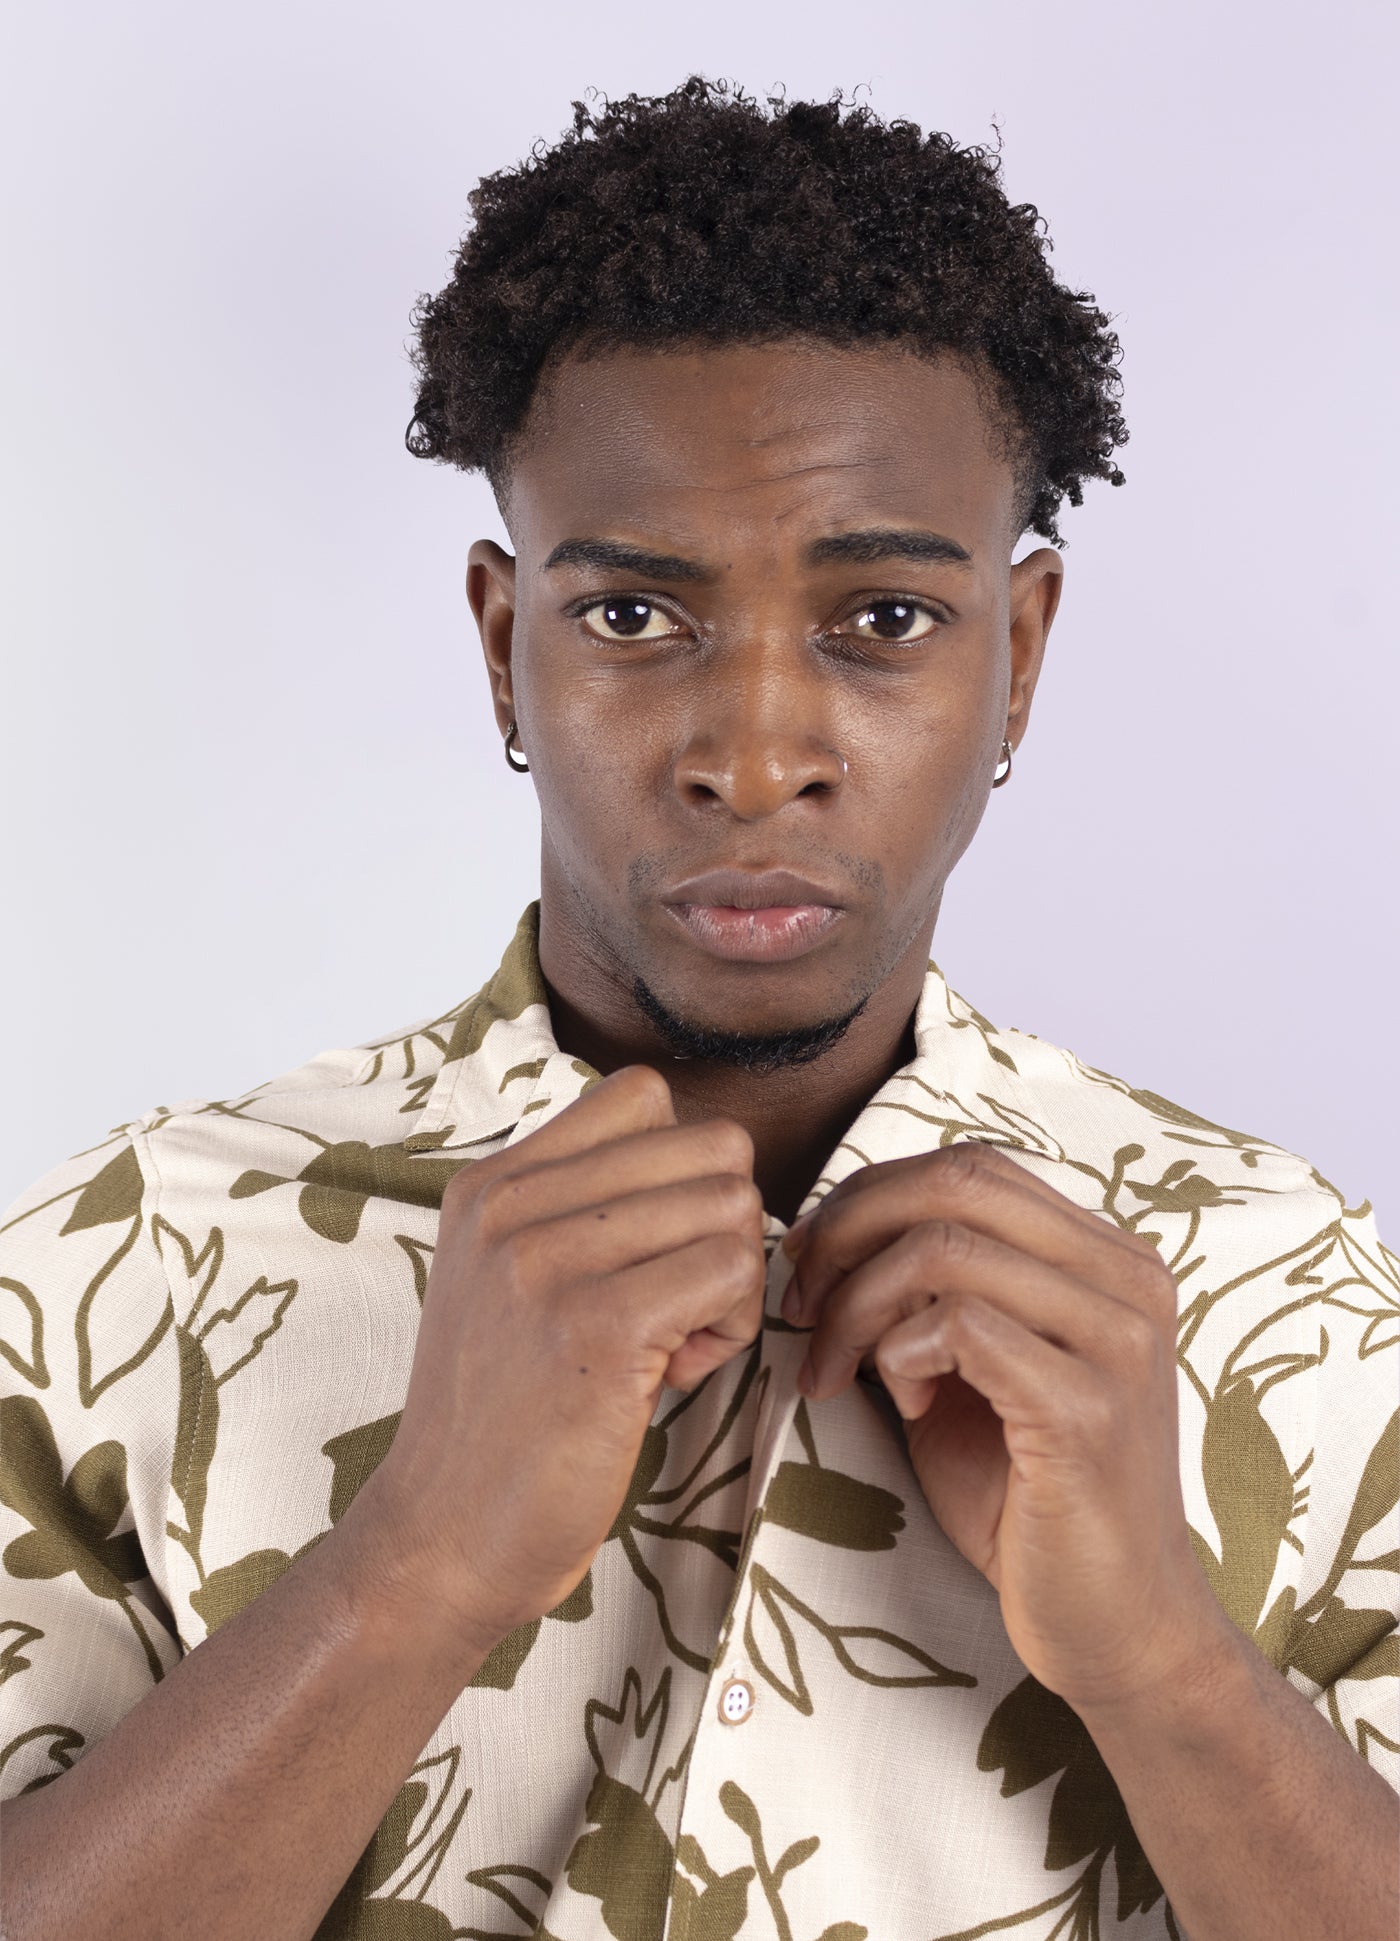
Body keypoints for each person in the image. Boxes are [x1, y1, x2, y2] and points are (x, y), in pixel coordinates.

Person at [1, 76, 1395, 1941]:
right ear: (506, 646)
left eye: (882, 618)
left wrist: (1165, 1660)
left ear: (1019, 656)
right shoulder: (125, 1264)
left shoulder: (1301, 1292)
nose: (753, 754)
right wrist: (410, 1564)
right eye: (634, 618)